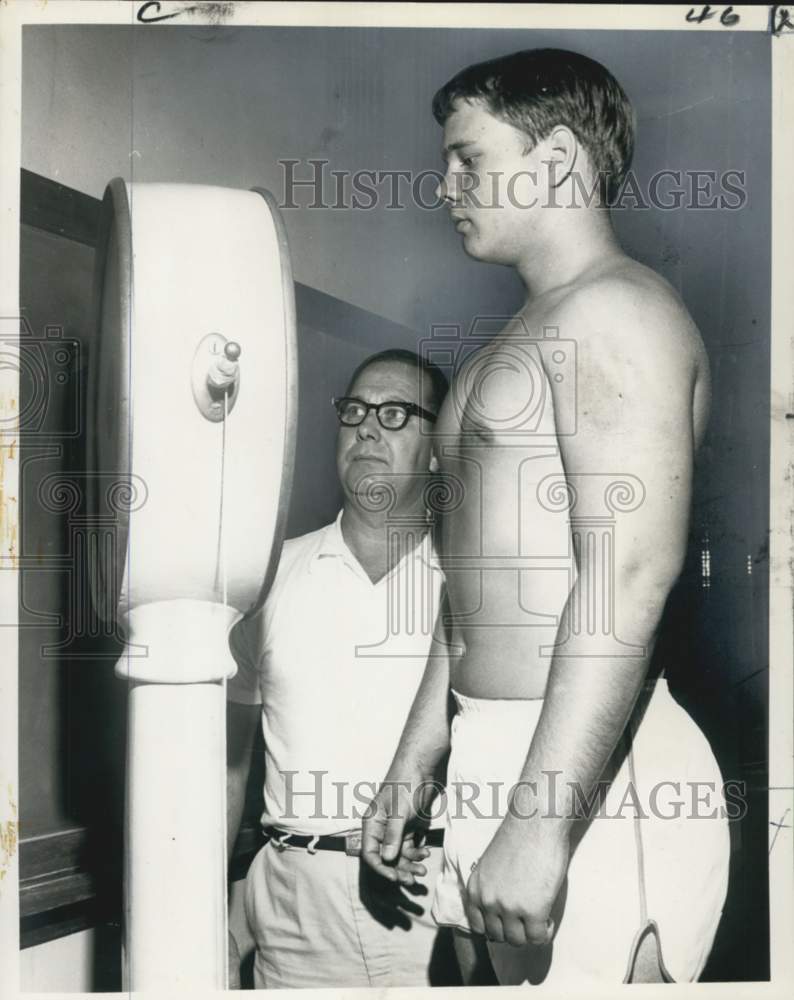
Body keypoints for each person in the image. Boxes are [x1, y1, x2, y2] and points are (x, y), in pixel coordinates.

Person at [362, 48, 730, 986]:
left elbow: (628, 574)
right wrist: (417, 760)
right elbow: (470, 589)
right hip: (508, 754)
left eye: (468, 159)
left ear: (558, 158)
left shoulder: (617, 315)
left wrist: (538, 825)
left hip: (596, 782)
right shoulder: (514, 340)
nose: (445, 184)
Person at [225, 349, 456, 988]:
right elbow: (227, 765)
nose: (366, 428)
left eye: (395, 413)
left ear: (439, 446)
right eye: (354, 410)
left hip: (430, 907)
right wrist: (213, 913)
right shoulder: (267, 581)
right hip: (295, 917)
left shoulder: (470, 591)